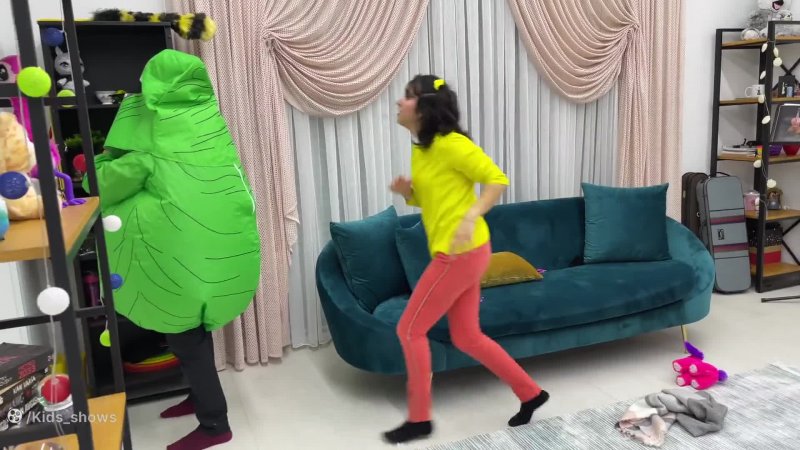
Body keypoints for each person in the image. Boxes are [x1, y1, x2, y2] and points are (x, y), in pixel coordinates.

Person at [83, 49, 261, 450]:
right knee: (193, 329)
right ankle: (198, 397)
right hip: (211, 250)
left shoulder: (152, 142)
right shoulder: (207, 126)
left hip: (177, 255)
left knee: (185, 337)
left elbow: (104, 184)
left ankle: (215, 425)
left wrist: (99, 163)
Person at [384, 75, 549, 444]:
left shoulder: (453, 144)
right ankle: (531, 393)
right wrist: (409, 193)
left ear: (425, 106)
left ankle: (419, 419)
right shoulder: (423, 150)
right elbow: (434, 200)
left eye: (407, 97)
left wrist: (472, 215)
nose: (399, 102)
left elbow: (496, 179)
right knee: (467, 336)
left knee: (409, 329)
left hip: (460, 253)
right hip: (462, 252)